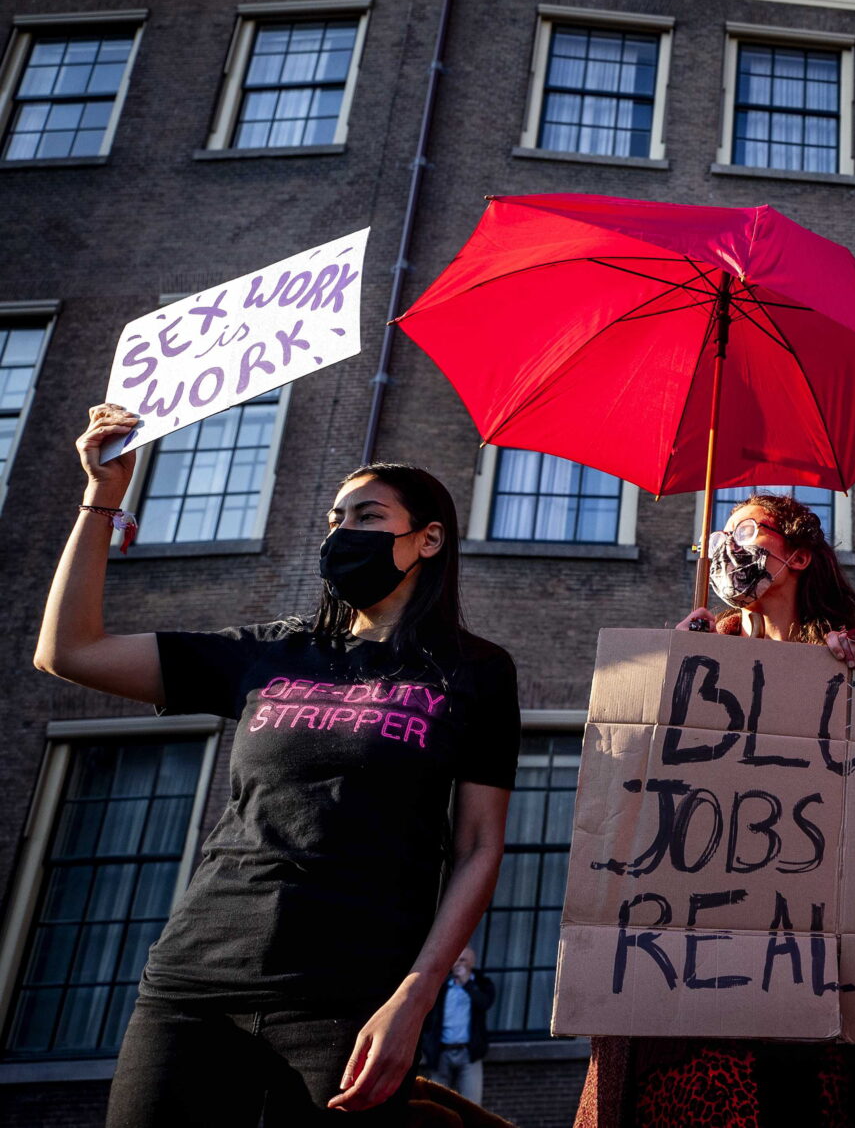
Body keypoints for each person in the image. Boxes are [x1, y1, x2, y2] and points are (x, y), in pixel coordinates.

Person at [37, 404, 518, 1127]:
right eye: (333, 517)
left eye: (366, 516)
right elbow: (68, 652)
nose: (340, 533)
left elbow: (479, 847)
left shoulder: (476, 671)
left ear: (428, 539)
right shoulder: (272, 650)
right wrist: (103, 496)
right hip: (195, 985)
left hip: (352, 998)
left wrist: (416, 997)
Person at [574, 491, 855, 1128]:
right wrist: (670, 678)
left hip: (820, 983)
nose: (728, 547)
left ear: (797, 556)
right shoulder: (690, 656)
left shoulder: (851, 663)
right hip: (698, 981)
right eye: (723, 534)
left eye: (748, 533)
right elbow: (632, 798)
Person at [420, 947, 494, 1103]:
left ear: (471, 963)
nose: (458, 964)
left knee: (472, 1104)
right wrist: (428, 1045)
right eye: (455, 959)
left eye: (462, 960)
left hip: (468, 1053)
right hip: (441, 1052)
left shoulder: (482, 984)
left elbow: (484, 1003)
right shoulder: (441, 985)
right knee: (437, 1103)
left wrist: (466, 983)